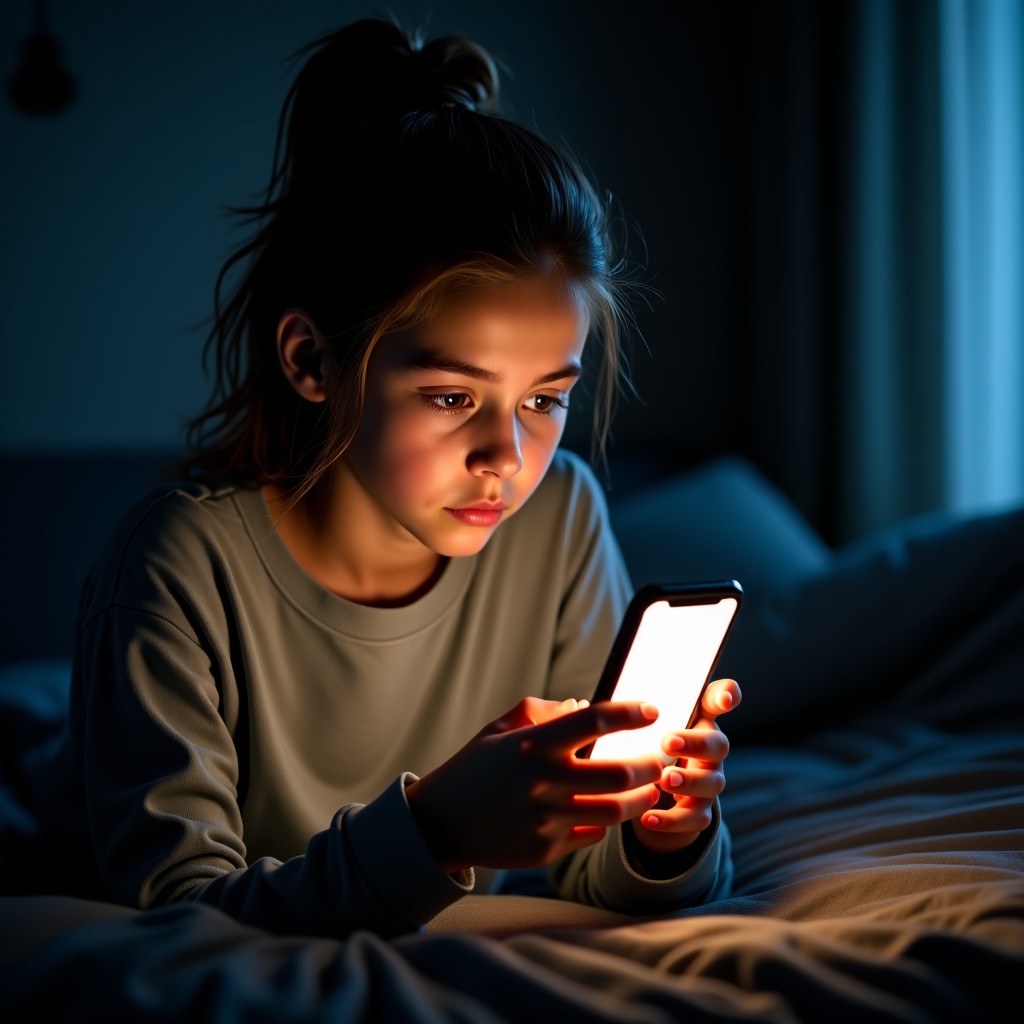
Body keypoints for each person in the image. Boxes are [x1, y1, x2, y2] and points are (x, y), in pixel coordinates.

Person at [67, 17, 741, 938]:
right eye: (453, 397)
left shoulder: (562, 515)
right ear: (313, 361)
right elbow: (179, 915)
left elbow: (595, 864)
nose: (507, 457)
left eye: (545, 400)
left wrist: (665, 831)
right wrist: (438, 828)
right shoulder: (180, 567)